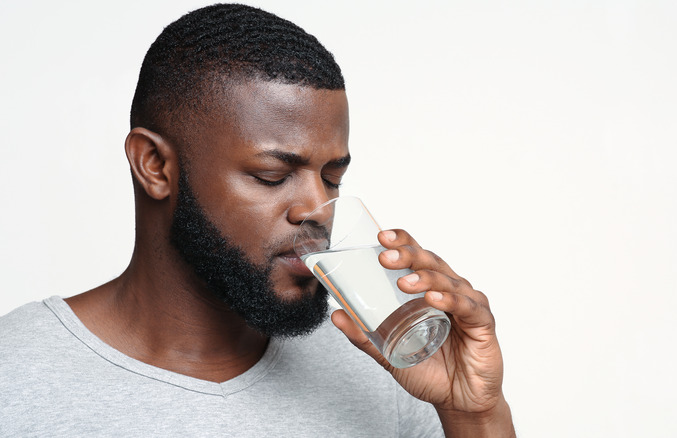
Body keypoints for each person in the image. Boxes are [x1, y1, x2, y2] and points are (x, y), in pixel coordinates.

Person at [0, 4, 515, 437]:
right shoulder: (15, 379)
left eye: (332, 178)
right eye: (272, 176)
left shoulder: (387, 371)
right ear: (154, 166)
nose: (315, 210)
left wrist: (473, 413)